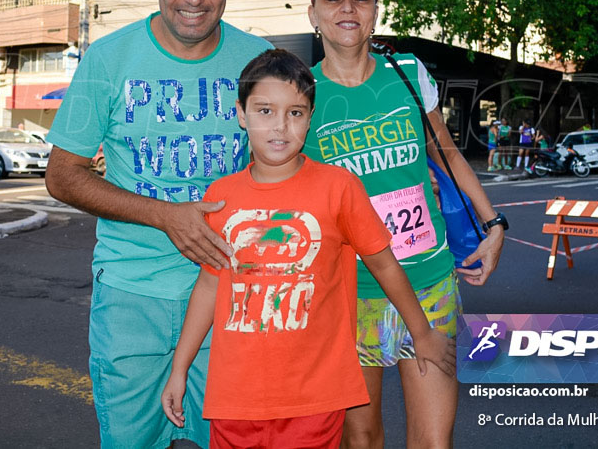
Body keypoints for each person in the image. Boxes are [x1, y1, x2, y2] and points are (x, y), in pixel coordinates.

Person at [45, 0, 272, 449]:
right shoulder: (107, 58)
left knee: (222, 442)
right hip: (131, 296)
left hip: (230, 294)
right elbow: (62, 176)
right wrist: (165, 216)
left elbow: (285, 172)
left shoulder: (258, 62)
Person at [160, 50, 455, 448]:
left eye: (296, 113)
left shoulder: (339, 188)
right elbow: (210, 287)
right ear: (241, 114)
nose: (280, 126)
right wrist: (179, 368)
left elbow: (384, 265)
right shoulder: (220, 197)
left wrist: (421, 334)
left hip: (315, 400)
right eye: (265, 111)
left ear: (310, 117)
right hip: (234, 400)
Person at [303, 0, 506, 448]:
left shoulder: (408, 72)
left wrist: (494, 224)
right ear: (313, 15)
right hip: (350, 295)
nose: (347, 8)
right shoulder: (301, 92)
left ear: (375, 11)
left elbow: (449, 153)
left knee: (434, 443)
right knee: (363, 440)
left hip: (428, 282)